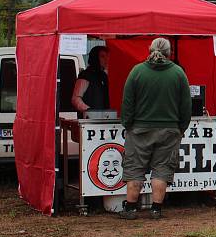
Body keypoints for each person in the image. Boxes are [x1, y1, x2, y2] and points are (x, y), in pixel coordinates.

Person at [119, 38, 192, 220]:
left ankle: (130, 209)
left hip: (139, 130)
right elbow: (186, 106)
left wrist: (128, 125)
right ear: (170, 53)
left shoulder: (137, 72)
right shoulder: (178, 73)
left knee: (135, 168)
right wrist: (181, 127)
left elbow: (127, 103)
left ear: (149, 49)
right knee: (162, 169)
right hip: (169, 130)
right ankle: (156, 209)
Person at [72, 46, 110, 117]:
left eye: (107, 56)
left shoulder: (104, 76)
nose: (106, 59)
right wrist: (88, 110)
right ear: (95, 58)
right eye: (102, 56)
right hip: (88, 122)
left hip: (103, 120)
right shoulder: (86, 75)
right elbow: (75, 99)